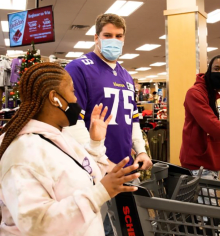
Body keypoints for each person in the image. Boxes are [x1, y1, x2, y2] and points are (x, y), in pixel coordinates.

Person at [0, 62, 141, 236]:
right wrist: (99, 194)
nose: (76, 99)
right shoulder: (21, 155)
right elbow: (37, 223)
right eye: (72, 92)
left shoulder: (59, 138)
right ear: (54, 98)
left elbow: (87, 176)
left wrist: (95, 143)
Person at [64, 14, 152, 235]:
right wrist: (103, 163)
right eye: (108, 35)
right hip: (92, 171)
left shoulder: (126, 75)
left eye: (119, 36)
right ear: (96, 37)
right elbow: (73, 122)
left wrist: (140, 151)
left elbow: (132, 119)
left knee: (123, 227)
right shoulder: (78, 68)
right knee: (95, 228)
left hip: (124, 168)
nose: (114, 40)